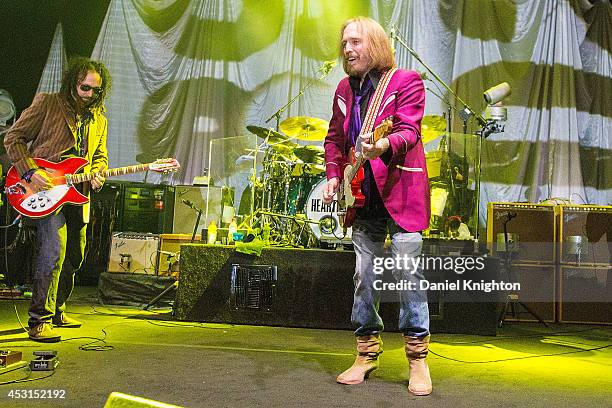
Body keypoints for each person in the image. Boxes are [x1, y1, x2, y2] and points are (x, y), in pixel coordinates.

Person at [322, 17, 432, 395]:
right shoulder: (343, 89)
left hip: (401, 195)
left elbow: (409, 130)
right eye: (345, 43)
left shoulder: (405, 81)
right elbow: (334, 140)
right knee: (363, 277)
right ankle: (366, 353)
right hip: (362, 196)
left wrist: (381, 146)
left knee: (407, 274)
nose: (347, 49)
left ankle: (417, 359)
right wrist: (335, 176)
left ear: (375, 45)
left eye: (355, 42)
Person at [4, 57, 111, 342]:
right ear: (73, 83)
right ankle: (39, 319)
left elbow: (99, 157)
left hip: (78, 194)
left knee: (75, 255)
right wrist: (31, 171)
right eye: (84, 88)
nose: (89, 95)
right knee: (54, 251)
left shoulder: (99, 119)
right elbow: (13, 137)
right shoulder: (48, 103)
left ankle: (58, 308)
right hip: (45, 191)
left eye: (95, 91)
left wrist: (99, 173)